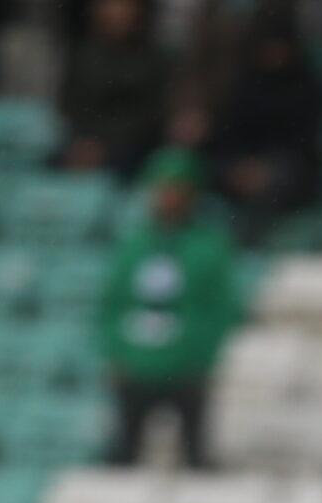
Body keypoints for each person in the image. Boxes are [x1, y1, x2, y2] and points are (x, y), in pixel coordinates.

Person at [98, 148, 241, 470]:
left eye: (177, 190)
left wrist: (202, 357)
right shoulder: (133, 244)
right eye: (162, 189)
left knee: (196, 456)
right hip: (136, 367)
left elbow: (222, 308)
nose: (169, 198)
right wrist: (116, 353)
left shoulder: (209, 246)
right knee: (123, 455)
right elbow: (112, 303)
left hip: (186, 369)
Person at [202, 15, 322, 245]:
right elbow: (231, 132)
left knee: (271, 186)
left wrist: (266, 168)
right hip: (244, 161)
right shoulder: (245, 84)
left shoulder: (305, 88)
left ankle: (254, 246)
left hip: (289, 167)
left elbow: (303, 143)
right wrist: (240, 164)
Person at [57, 0, 170, 177]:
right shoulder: (83, 53)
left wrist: (104, 144)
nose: (117, 12)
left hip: (130, 145)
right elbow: (70, 104)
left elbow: (151, 113)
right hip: (83, 140)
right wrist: (85, 142)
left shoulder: (154, 58)